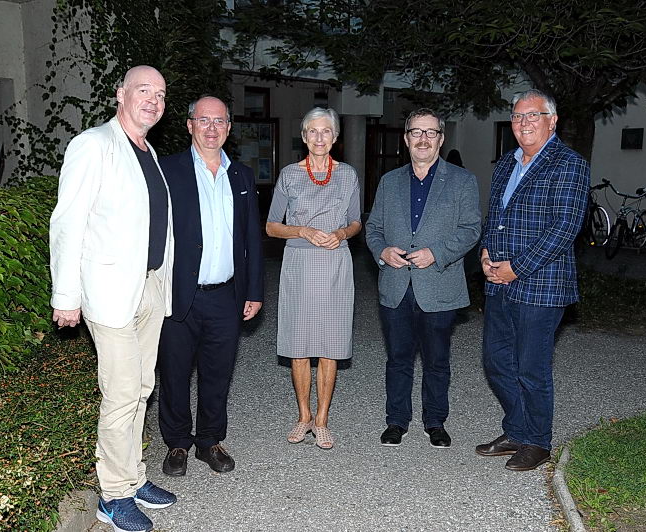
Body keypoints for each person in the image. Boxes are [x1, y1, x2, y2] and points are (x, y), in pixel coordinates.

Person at [50, 65, 177, 532]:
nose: (153, 100)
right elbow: (68, 222)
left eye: (160, 94)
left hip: (149, 286)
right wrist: (66, 294)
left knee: (141, 388)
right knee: (122, 392)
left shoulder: (148, 151)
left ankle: (134, 477)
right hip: (110, 291)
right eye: (143, 90)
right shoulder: (93, 144)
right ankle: (113, 495)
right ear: (120, 94)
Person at [476, 88, 589, 471]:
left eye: (532, 115)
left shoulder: (569, 164)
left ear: (552, 121)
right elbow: (495, 216)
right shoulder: (506, 164)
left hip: (541, 285)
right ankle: (517, 430)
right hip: (498, 281)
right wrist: (486, 253)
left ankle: (538, 441)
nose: (523, 122)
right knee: (496, 362)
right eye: (517, 116)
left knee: (531, 368)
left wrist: (517, 267)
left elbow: (565, 227)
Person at [158, 96, 264, 476]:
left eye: (219, 121)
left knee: (218, 373)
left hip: (226, 295)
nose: (211, 128)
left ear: (229, 128)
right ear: (190, 125)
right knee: (174, 372)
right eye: (203, 120)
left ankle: (209, 441)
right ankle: (177, 443)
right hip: (179, 294)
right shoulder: (168, 169)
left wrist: (254, 291)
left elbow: (252, 237)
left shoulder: (242, 176)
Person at [365, 108, 481, 448]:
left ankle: (435, 422)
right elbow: (373, 228)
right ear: (406, 139)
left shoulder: (462, 180)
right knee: (398, 359)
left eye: (431, 132)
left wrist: (437, 253)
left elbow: (471, 229)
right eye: (416, 132)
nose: (423, 139)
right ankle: (396, 421)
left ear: (441, 139)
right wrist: (382, 251)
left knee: (437, 361)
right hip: (396, 285)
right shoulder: (389, 181)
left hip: (439, 284)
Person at [266, 107, 362, 450]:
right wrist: (302, 230)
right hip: (299, 264)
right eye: (313, 131)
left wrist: (341, 233)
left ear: (334, 137)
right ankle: (303, 415)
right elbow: (271, 226)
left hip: (335, 263)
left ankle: (322, 420)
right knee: (299, 345)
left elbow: (356, 222)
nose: (319, 138)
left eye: (326, 131)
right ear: (304, 136)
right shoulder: (290, 175)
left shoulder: (348, 175)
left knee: (330, 345)